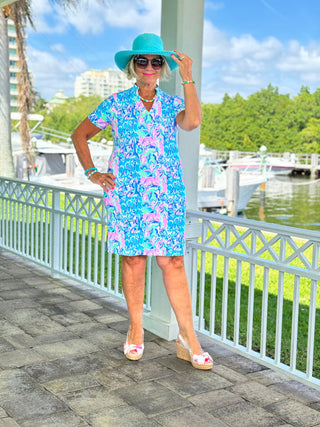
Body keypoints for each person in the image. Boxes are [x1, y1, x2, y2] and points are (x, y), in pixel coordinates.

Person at [71, 33, 213, 370]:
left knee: (172, 263)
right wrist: (93, 172)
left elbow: (192, 122)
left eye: (155, 61)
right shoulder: (116, 103)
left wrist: (188, 76)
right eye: (142, 61)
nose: (148, 66)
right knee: (133, 261)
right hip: (127, 196)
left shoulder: (171, 104)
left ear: (163, 67)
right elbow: (80, 134)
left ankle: (188, 337)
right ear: (133, 66)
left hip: (165, 194)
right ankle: (135, 328)